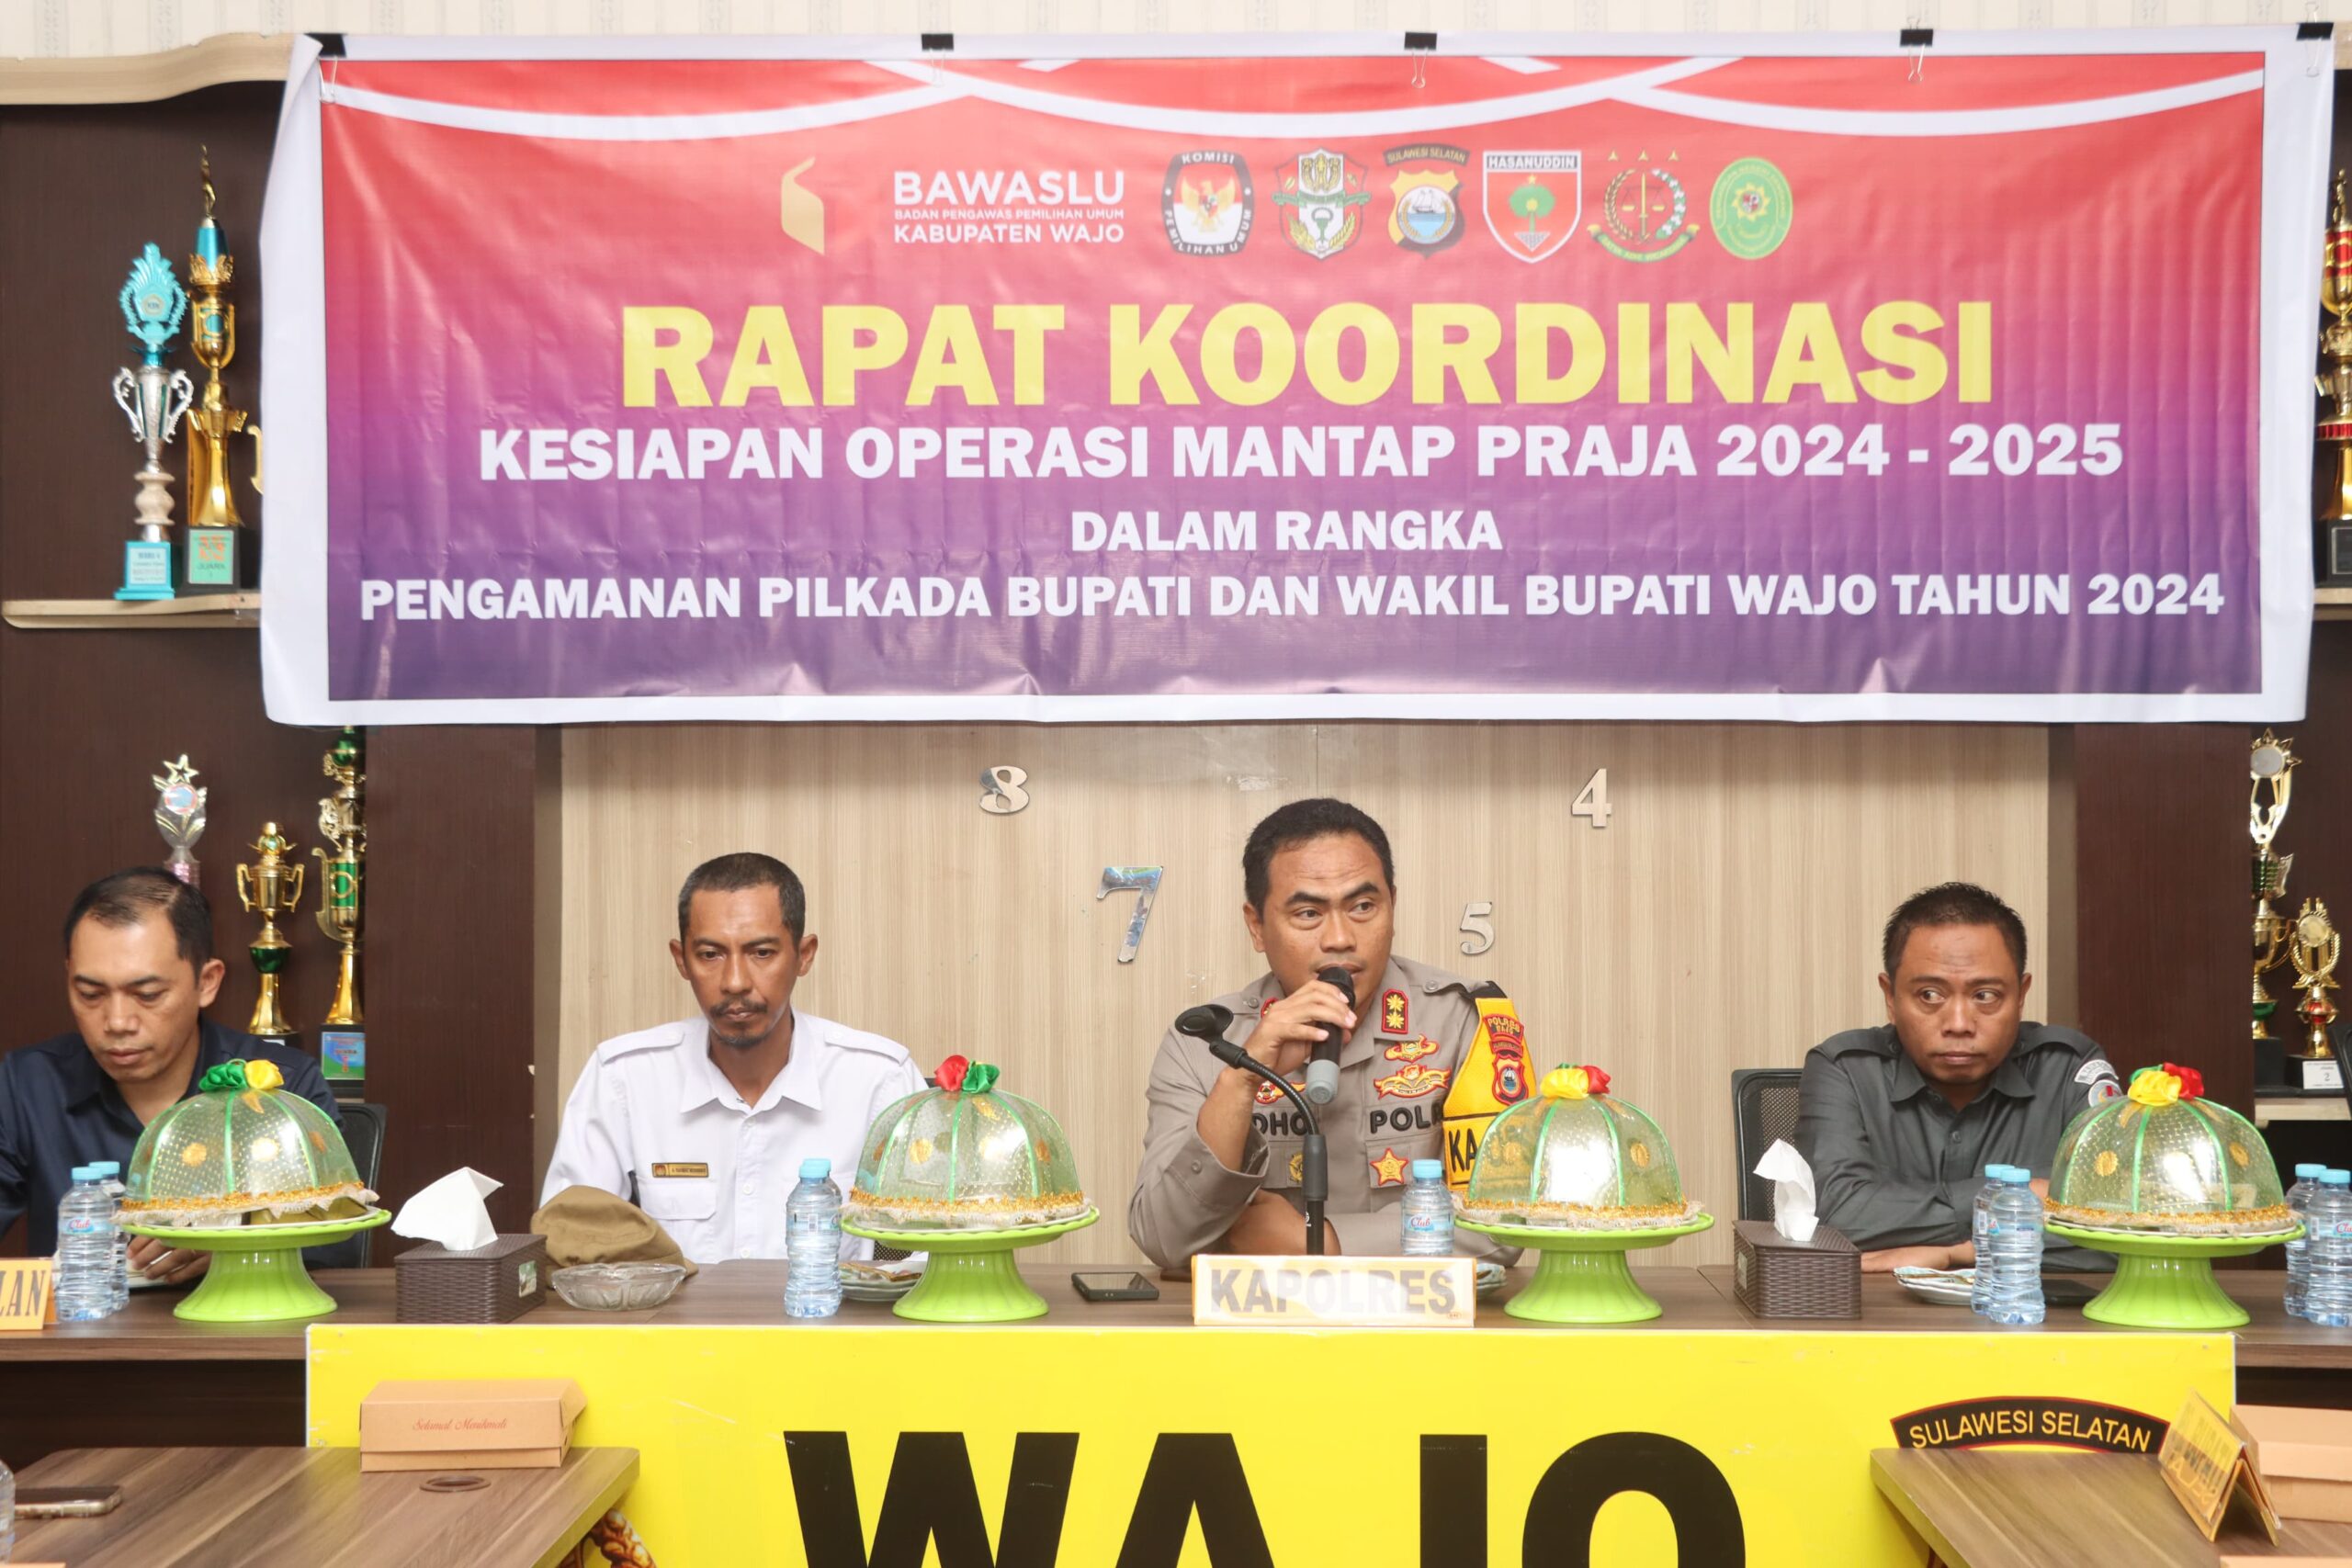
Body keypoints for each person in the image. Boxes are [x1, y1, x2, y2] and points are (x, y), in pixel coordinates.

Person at [1128, 797, 1521, 1268]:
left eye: (1363, 906)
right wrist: (1242, 1078)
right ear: (1257, 926)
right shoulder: (1204, 1044)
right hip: (1262, 1312)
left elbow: (1504, 1223)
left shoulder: (1461, 1022)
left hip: (1417, 1310)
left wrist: (1323, 1243)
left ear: (1392, 906)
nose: (1339, 939)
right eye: (1308, 914)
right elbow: (1163, 1238)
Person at [542, 852, 922, 1266]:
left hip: (826, 1309)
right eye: (710, 954)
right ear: (681, 960)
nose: (735, 982)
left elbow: (933, 1250)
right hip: (671, 1311)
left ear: (804, 955)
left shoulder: (879, 1079)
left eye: (761, 953)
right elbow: (571, 1244)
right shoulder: (623, 1078)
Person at [0, 868, 342, 1282]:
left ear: (207, 982)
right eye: (90, 994)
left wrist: (239, 1237)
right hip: (80, 1319)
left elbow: (337, 1238)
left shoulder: (283, 1083)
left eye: (148, 995)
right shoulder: (26, 1085)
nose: (117, 1022)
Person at [1795, 881, 2120, 1272]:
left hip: (2030, 1310)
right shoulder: (1845, 1070)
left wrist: (1959, 1253)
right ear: (1890, 997)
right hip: (1885, 1311)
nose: (1959, 1023)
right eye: (1930, 995)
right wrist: (2009, 1198)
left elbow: (2122, 1227)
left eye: (1985, 995)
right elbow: (1834, 1220)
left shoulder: (2067, 1069)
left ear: (2021, 995)